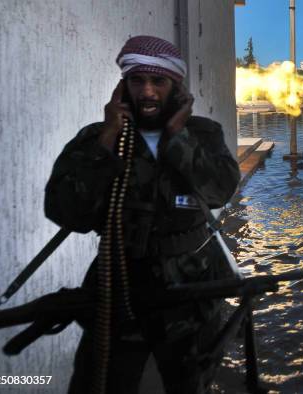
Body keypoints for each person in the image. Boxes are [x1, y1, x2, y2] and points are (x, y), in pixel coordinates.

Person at [44, 35, 240, 393]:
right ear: (123, 87)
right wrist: (106, 142)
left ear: (176, 89)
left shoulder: (203, 134)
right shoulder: (97, 138)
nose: (147, 92)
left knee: (191, 383)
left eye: (158, 82)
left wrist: (177, 136)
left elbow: (220, 191)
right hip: (119, 288)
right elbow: (65, 212)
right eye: (137, 81)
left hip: (190, 290)